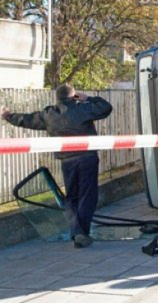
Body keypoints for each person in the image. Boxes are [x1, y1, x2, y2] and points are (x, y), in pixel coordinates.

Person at [1, 85, 112, 248]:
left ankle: (77, 232)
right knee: (88, 195)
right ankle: (81, 233)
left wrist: (8, 116)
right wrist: (87, 98)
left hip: (67, 161)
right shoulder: (84, 108)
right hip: (87, 158)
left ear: (57, 98)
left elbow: (26, 120)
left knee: (71, 197)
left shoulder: (48, 114)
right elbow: (106, 108)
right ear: (73, 96)